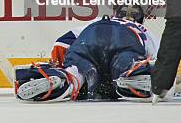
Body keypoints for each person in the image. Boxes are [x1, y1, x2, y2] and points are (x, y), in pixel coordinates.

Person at [14, 6, 159, 102]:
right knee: (129, 68)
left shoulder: (97, 21)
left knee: (75, 74)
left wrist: (60, 64)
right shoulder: (143, 30)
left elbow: (62, 42)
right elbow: (161, 62)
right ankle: (130, 77)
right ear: (141, 20)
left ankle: (59, 80)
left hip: (89, 39)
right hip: (125, 42)